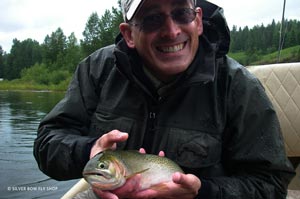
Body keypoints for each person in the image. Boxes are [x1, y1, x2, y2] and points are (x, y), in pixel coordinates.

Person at [34, 0, 295, 198]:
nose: (171, 31)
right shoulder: (97, 69)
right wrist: (88, 151)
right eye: (151, 19)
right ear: (128, 34)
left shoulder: (237, 86)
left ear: (198, 21)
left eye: (181, 13)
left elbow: (269, 183)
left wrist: (202, 191)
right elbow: (48, 142)